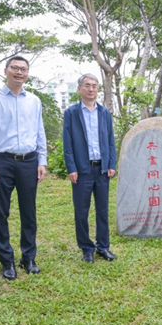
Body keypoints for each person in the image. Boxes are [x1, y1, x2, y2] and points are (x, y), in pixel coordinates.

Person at [0, 56, 48, 279]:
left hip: (29, 161)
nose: (19, 72)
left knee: (29, 212)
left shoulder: (34, 100)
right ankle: (6, 261)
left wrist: (42, 160)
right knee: (1, 212)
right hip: (1, 161)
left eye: (24, 69)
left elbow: (39, 131)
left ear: (28, 73)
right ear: (5, 70)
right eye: (15, 68)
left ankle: (29, 257)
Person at [63, 74, 118, 263]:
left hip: (102, 169)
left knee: (102, 210)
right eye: (87, 85)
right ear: (79, 89)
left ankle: (103, 246)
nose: (91, 89)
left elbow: (111, 140)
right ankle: (86, 248)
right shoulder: (71, 113)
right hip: (82, 169)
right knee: (81, 211)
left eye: (94, 86)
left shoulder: (104, 113)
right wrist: (71, 167)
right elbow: (67, 143)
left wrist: (111, 164)